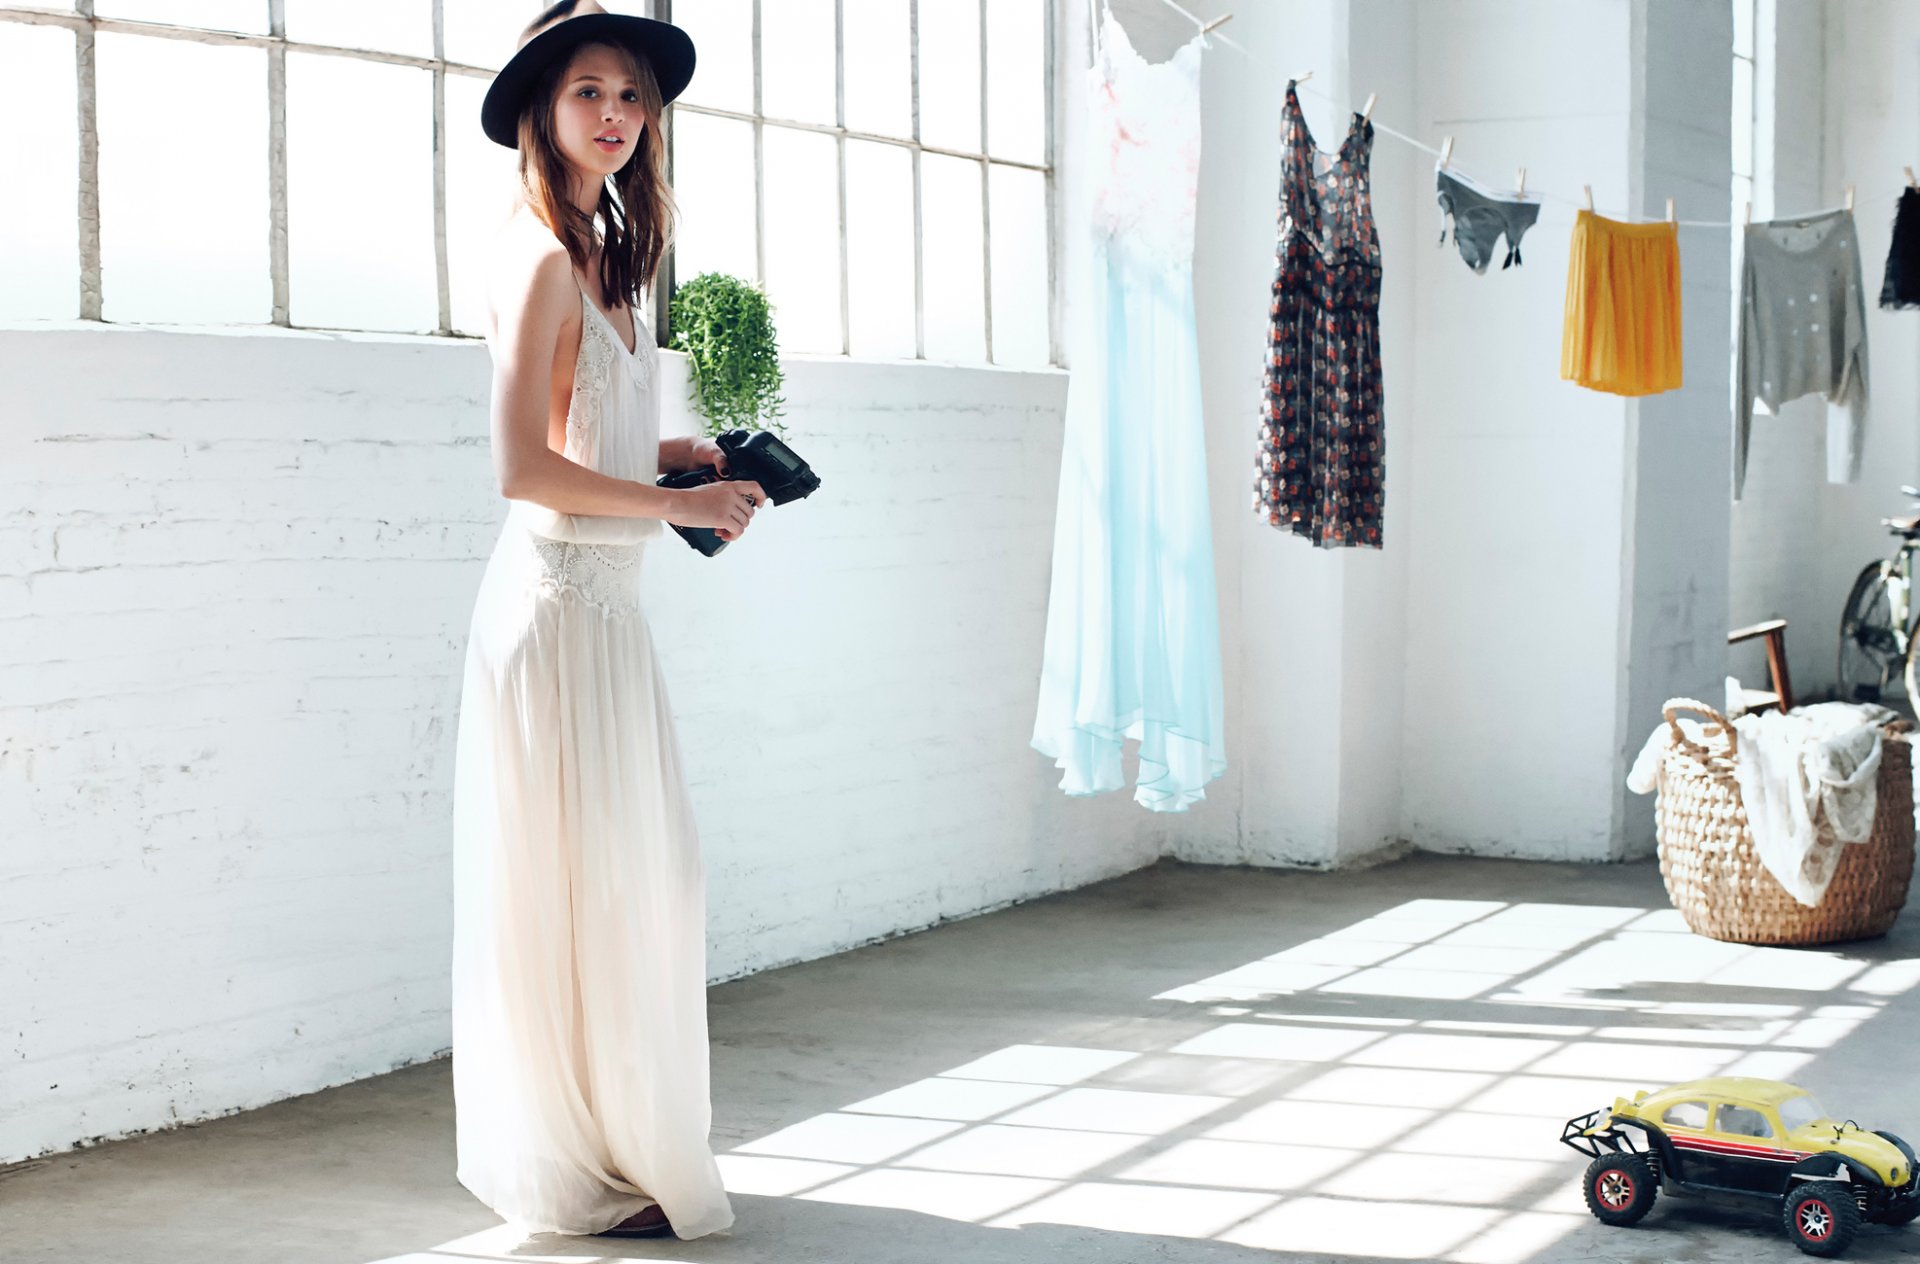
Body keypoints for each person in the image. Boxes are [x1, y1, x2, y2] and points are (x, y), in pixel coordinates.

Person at [449, 0, 755, 1241]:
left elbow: (590, 425)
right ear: (543, 107)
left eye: (632, 95)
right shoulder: (537, 258)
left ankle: (620, 1141)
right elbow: (521, 468)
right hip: (555, 616)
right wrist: (669, 494)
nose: (618, 116)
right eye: (590, 93)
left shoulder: (605, 257)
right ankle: (581, 1159)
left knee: (641, 884)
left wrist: (676, 450)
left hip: (609, 619)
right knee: (588, 893)